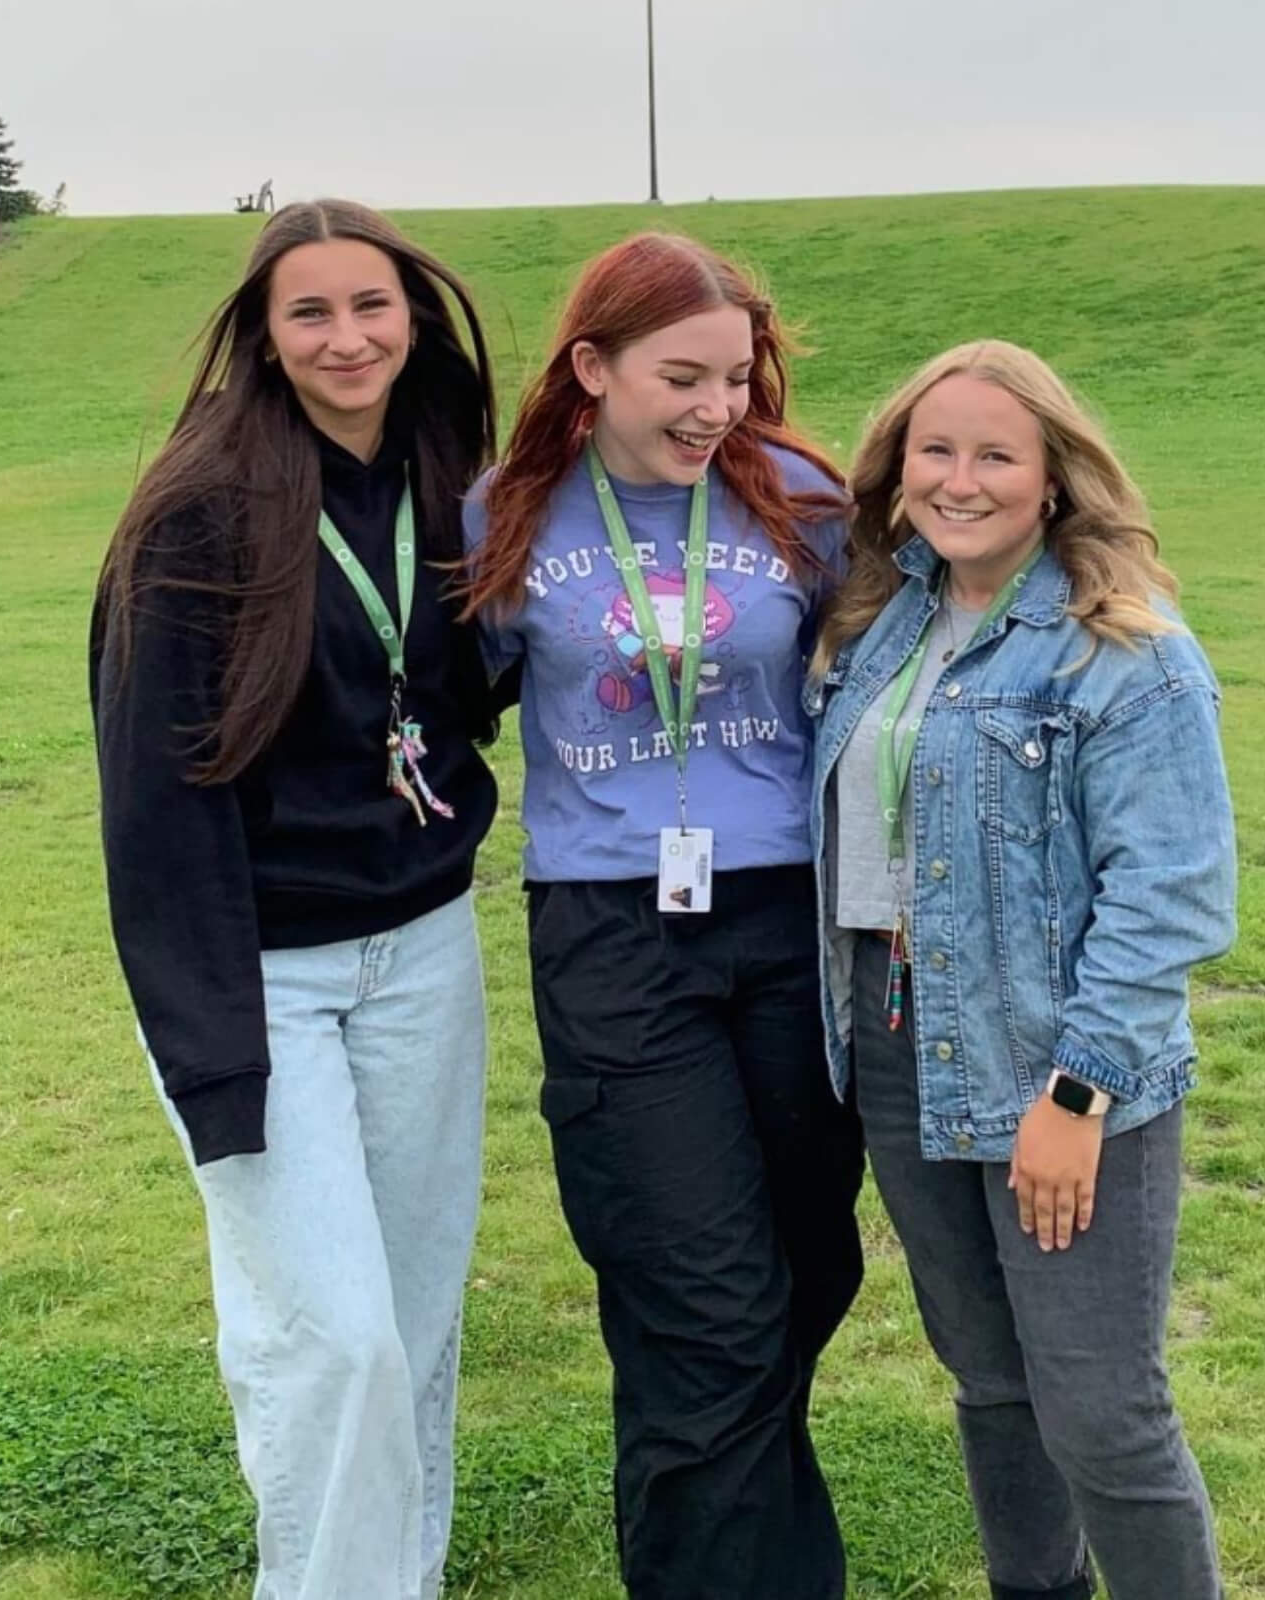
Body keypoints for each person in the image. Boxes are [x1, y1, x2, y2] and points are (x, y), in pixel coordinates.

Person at [90, 198, 502, 1600]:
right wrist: (214, 1065)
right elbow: (154, 813)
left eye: (370, 306)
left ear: (414, 316)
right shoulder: (195, 513)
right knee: (333, 1336)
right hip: (262, 975)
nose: (348, 337)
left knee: (416, 1322)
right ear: (263, 337)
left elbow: (471, 680)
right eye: (310, 312)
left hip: (425, 955)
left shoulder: (446, 468)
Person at [459, 232, 864, 1600]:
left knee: (803, 1275)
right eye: (680, 377)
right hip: (613, 935)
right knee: (705, 1304)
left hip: (789, 925)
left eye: (737, 378)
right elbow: (446, 698)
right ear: (591, 368)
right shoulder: (507, 513)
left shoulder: (803, 499)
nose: (715, 409)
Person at [808, 340, 1237, 1600]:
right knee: (992, 1385)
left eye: (997, 454)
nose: (962, 479)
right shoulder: (878, 625)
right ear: (896, 475)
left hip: (1055, 1067)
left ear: (1053, 478)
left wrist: (1076, 1095)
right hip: (895, 1042)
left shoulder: (1127, 650)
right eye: (935, 451)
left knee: (1102, 1411)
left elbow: (1170, 900)